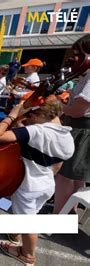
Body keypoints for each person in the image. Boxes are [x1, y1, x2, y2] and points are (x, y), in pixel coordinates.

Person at [0, 98, 74, 265]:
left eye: (30, 115)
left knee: (29, 221)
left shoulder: (36, 132)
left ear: (41, 113)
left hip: (29, 186)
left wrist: (12, 116)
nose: (28, 118)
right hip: (47, 184)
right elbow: (57, 164)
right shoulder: (66, 135)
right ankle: (15, 235)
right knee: (30, 213)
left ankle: (27, 255)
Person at [53, 34, 90, 214]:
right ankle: (69, 211)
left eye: (78, 55)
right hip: (82, 129)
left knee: (64, 175)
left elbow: (78, 110)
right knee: (77, 176)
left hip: (81, 129)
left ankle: (59, 216)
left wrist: (58, 104)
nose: (75, 60)